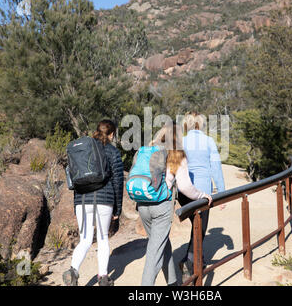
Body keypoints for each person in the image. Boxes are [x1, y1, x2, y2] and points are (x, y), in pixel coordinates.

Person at [136, 124, 213, 286]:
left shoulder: (147, 150)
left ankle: (172, 283)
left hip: (142, 204)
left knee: (162, 245)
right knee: (154, 253)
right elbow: (185, 187)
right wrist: (202, 195)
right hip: (161, 206)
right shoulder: (176, 154)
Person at [63, 120, 124, 286]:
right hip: (104, 200)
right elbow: (118, 181)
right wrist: (118, 209)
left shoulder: (84, 149)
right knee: (103, 238)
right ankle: (103, 277)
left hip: (82, 200)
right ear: (111, 134)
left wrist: (76, 205)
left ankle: (72, 271)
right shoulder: (112, 151)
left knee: (85, 240)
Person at [178, 111, 226, 281]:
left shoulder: (181, 141)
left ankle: (196, 258)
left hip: (183, 192)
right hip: (203, 192)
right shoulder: (208, 141)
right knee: (200, 229)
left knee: (195, 226)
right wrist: (221, 192)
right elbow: (216, 167)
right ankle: (189, 263)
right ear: (201, 124)